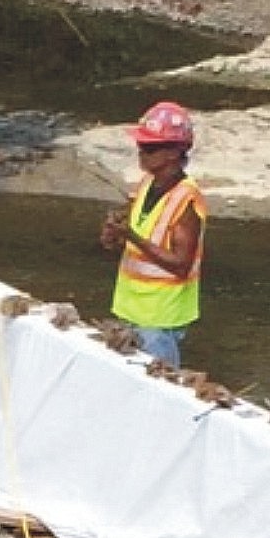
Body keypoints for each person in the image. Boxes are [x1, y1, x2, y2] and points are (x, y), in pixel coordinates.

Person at [100, 101, 205, 368]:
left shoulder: (187, 201)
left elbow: (181, 265)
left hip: (159, 320)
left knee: (160, 386)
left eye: (149, 148)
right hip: (130, 309)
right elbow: (135, 235)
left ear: (173, 153)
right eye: (140, 146)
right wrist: (114, 235)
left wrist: (132, 236)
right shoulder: (148, 183)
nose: (141, 153)